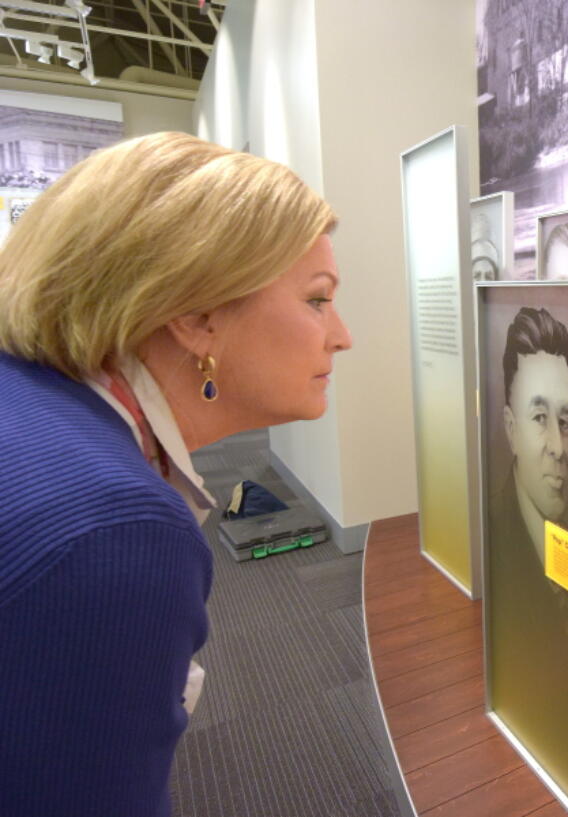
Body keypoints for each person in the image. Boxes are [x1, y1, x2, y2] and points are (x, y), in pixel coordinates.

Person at [0, 132, 352, 817]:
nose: (341, 335)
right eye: (317, 299)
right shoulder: (115, 534)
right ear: (195, 316)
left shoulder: (35, 407)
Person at [486, 306, 568, 810]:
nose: (558, 445)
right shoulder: (497, 532)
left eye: (566, 421)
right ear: (510, 428)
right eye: (538, 419)